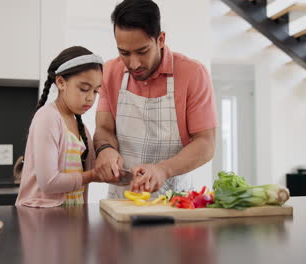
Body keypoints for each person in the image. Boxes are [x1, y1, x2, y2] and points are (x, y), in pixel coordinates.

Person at [94, 0, 217, 198]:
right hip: (121, 201)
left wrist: (163, 169)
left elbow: (206, 143)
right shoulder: (109, 72)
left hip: (176, 201)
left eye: (142, 51)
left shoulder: (193, 74)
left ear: (160, 39)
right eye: (124, 53)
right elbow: (104, 129)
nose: (133, 64)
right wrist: (105, 149)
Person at [16, 46, 118, 207]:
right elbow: (49, 183)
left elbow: (96, 171)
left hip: (68, 218)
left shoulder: (81, 127)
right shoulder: (48, 117)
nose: (90, 98)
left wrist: (122, 174)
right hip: (40, 218)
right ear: (61, 82)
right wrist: (92, 175)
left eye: (96, 91)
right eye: (84, 89)